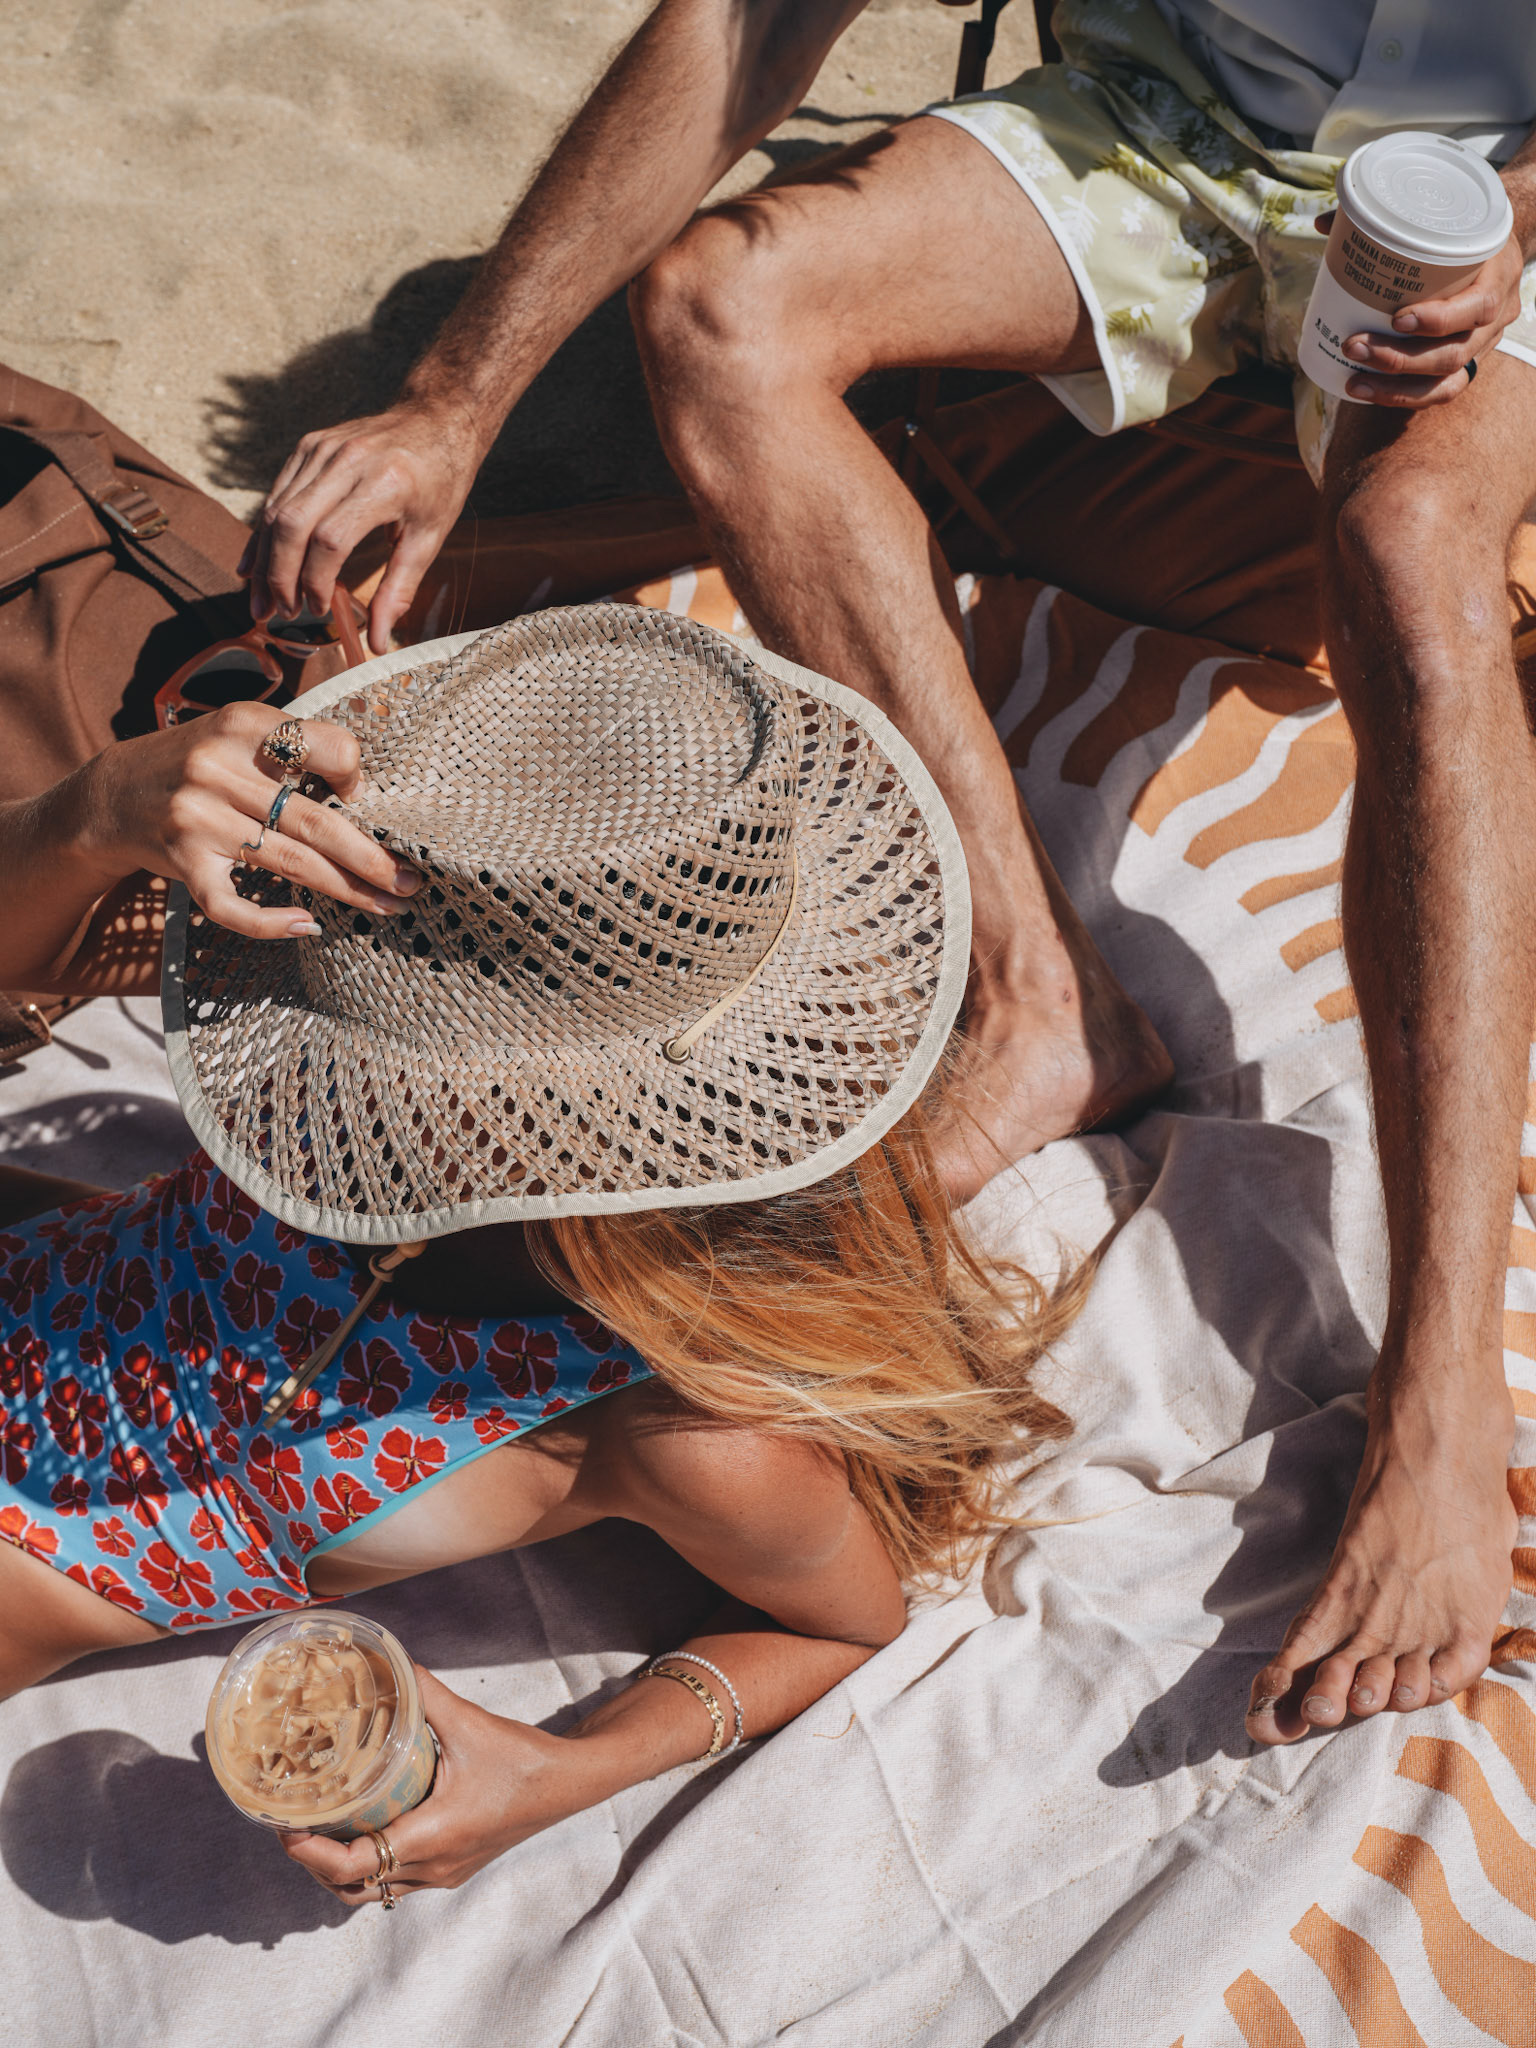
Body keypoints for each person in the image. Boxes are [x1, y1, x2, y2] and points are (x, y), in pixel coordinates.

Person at [240, 0, 1536, 1750]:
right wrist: (451, 405)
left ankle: (1440, 1407)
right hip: (1196, 113)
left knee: (1412, 545)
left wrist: (1511, 224)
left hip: (1492, 181)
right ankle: (1040, 995)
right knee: (723, 305)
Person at [0, 606, 1077, 1907]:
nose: (334, 1026)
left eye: (414, 1017)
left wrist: (564, 1772)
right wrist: (91, 814)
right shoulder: (342, 1056)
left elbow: (847, 1626)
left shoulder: (693, 1435)